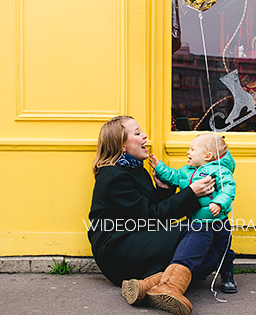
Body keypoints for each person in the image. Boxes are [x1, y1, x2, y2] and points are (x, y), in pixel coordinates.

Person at [88, 116, 216, 315]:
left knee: (213, 248)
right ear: (121, 145)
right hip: (117, 250)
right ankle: (170, 286)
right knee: (201, 230)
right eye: (137, 133)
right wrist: (191, 192)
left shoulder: (135, 169)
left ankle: (147, 286)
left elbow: (147, 213)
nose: (145, 135)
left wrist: (163, 189)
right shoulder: (113, 177)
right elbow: (151, 217)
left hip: (137, 237)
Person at [147, 132, 237, 296]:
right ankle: (186, 275)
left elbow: (228, 189)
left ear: (208, 155)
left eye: (192, 149)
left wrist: (219, 203)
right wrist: (159, 167)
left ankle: (227, 274)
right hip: (197, 221)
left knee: (224, 249)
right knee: (198, 249)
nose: (188, 152)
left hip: (218, 221)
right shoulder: (187, 171)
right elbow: (173, 177)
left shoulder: (219, 171)